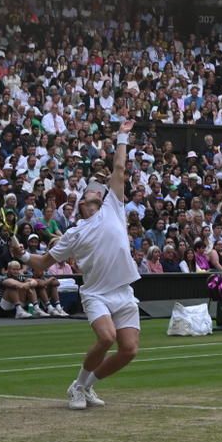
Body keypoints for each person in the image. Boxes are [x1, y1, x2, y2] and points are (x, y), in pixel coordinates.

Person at [27, 121, 141, 410]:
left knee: (128, 350)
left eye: (98, 191)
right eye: (91, 191)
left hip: (124, 292)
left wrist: (123, 135)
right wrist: (23, 256)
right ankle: (77, 387)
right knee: (107, 338)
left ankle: (88, 386)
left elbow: (119, 167)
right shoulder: (73, 234)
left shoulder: (113, 206)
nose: (96, 192)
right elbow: (41, 264)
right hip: (96, 294)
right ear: (82, 202)